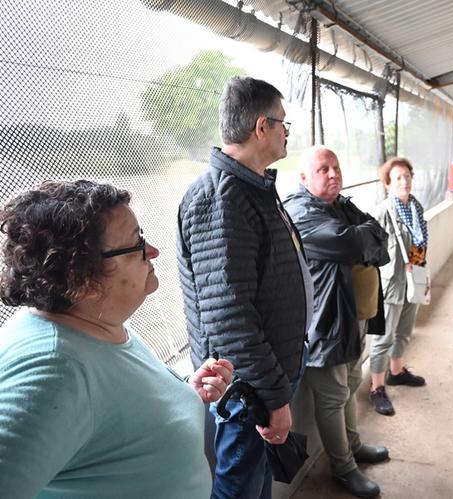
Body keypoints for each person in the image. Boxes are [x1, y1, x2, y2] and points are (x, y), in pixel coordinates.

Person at [0, 180, 234, 498]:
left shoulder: (96, 323)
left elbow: (111, 409)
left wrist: (183, 391)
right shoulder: (51, 370)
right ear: (81, 276)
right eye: (137, 244)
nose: (152, 251)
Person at [177, 76, 312, 499]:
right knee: (239, 487)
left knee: (257, 481)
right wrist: (274, 398)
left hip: (264, 376)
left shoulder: (252, 188)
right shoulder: (222, 199)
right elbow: (230, 318)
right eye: (282, 123)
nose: (287, 131)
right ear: (261, 127)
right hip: (248, 390)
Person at [284, 146, 390, 499]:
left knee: (351, 383)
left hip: (352, 318)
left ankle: (354, 445)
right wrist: (363, 237)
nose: (333, 174)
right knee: (331, 397)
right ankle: (343, 469)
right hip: (325, 324)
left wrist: (364, 237)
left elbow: (379, 236)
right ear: (303, 178)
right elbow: (351, 243)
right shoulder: (300, 212)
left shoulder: (340, 205)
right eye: (322, 169)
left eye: (336, 167)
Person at [368, 157, 428, 416]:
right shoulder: (384, 212)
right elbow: (370, 250)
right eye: (399, 178)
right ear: (388, 184)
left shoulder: (416, 208)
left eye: (408, 176)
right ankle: (376, 388)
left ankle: (396, 372)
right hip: (391, 282)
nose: (405, 181)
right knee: (384, 337)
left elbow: (420, 245)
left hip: (415, 277)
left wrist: (421, 271)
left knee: (404, 331)